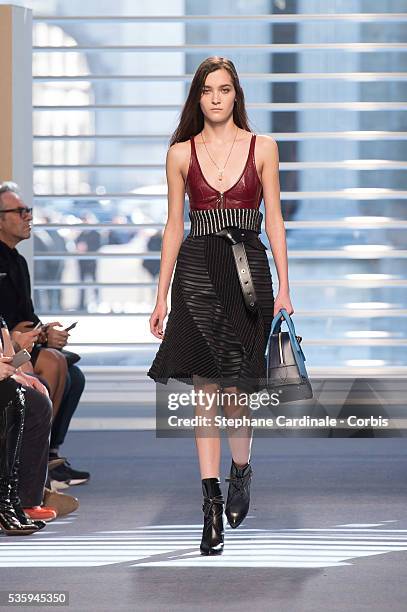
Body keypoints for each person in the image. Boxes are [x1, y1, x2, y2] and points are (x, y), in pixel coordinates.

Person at [148, 57, 293, 555]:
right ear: (197, 96)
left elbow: (274, 219)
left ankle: (241, 471)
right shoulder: (180, 154)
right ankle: (209, 506)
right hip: (197, 273)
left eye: (225, 89)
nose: (215, 97)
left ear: (236, 96)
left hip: (249, 272)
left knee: (239, 390)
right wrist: (161, 293)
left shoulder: (263, 148)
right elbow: (173, 226)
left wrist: (287, 287)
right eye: (207, 89)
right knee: (206, 390)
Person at [0, 182, 90, 486]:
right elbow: (11, 325)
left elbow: (27, 317)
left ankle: (49, 456)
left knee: (74, 376)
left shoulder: (18, 262)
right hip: (6, 347)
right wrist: (14, 336)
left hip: (23, 344)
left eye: (29, 211)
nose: (28, 217)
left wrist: (45, 332)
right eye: (20, 211)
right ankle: (30, 465)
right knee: (53, 362)